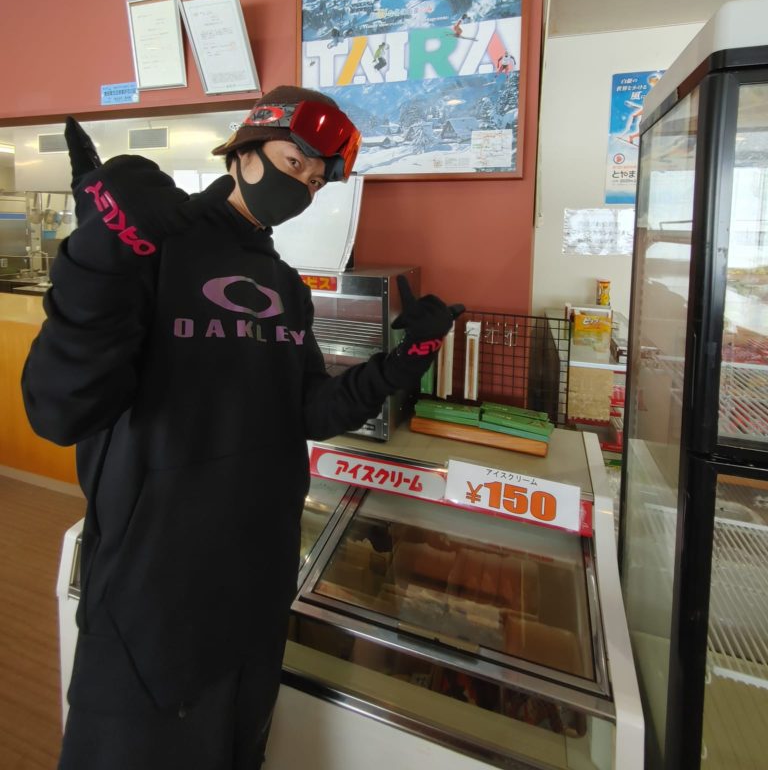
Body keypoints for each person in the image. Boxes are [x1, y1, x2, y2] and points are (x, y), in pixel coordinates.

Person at [21, 84, 463, 770]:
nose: (303, 187)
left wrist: (403, 362)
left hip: (257, 589)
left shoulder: (283, 285)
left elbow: (309, 409)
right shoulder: (154, 246)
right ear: (244, 153)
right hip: (152, 599)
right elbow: (60, 409)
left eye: (315, 182)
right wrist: (99, 258)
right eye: (295, 164)